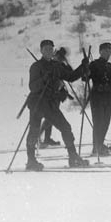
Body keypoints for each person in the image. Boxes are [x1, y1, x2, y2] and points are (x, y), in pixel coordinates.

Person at [25, 40, 89, 171]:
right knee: (34, 132)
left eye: (50, 49)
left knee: (65, 127)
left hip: (50, 104)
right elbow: (33, 87)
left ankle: (73, 157)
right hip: (38, 103)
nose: (48, 51)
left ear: (53, 50)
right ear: (41, 51)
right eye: (46, 49)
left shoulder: (57, 66)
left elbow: (70, 77)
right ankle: (31, 161)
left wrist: (82, 67)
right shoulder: (36, 67)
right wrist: (44, 78)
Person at [86, 42, 111, 156]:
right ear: (100, 52)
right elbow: (85, 78)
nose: (108, 53)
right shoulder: (94, 64)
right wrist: (86, 70)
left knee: (106, 122)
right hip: (97, 97)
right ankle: (96, 147)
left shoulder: (110, 66)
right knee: (98, 122)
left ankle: (100, 144)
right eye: (105, 51)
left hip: (108, 97)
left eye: (109, 51)